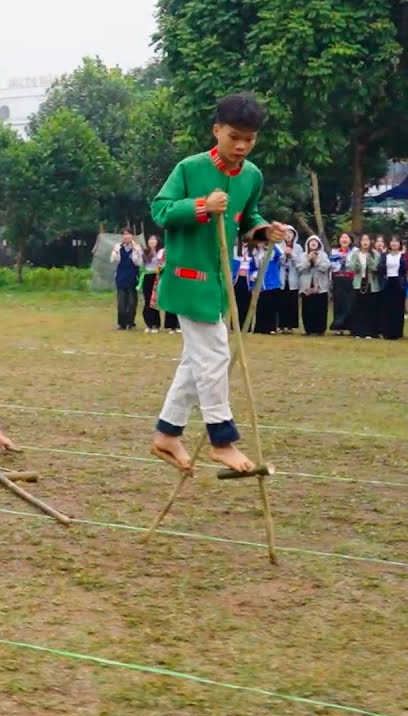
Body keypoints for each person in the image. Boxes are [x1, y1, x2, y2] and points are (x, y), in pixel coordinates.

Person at [148, 92, 289, 475]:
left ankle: (167, 433)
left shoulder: (252, 176)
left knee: (195, 362)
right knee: (214, 356)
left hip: (219, 285)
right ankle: (221, 440)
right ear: (216, 130)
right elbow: (160, 209)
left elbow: (248, 218)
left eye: (249, 139)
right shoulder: (189, 168)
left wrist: (264, 230)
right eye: (234, 137)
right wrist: (201, 206)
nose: (241, 146)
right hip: (187, 281)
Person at [294, 235, 332, 336]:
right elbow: (300, 268)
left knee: (320, 309)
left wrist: (316, 261)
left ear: (319, 244)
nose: (313, 243)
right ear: (308, 244)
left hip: (320, 286)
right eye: (311, 241)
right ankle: (308, 329)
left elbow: (326, 267)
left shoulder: (323, 255)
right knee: (307, 309)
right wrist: (308, 260)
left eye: (315, 241)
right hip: (306, 286)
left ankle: (319, 330)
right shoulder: (302, 255)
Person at [346, 234, 381, 339]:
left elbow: (375, 267)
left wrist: (368, 258)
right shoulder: (355, 253)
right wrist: (357, 263)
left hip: (371, 283)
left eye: (367, 240)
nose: (365, 242)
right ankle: (358, 331)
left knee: (369, 308)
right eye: (363, 240)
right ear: (360, 242)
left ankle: (369, 332)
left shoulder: (375, 254)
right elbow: (351, 267)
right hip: (358, 282)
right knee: (358, 308)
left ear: (370, 242)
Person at [110, 229, 143, 330]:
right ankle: (121, 324)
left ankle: (130, 323)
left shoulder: (137, 247)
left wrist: (136, 251)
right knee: (121, 303)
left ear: (132, 236)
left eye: (128, 234)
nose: (126, 236)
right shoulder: (118, 247)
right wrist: (116, 251)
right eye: (124, 234)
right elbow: (113, 260)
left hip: (132, 277)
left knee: (132, 302)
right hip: (121, 277)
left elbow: (139, 262)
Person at [378, 236, 408, 340]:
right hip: (387, 282)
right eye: (392, 241)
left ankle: (397, 332)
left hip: (399, 283)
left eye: (396, 241)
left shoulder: (403, 256)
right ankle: (386, 331)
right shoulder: (385, 256)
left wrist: (403, 256)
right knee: (387, 307)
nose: (394, 243)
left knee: (398, 307)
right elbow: (381, 268)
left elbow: (404, 270)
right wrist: (383, 255)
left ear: (400, 244)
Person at [328, 233, 355, 335]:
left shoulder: (355, 251)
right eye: (342, 237)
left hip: (350, 279)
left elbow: (353, 265)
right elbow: (332, 265)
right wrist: (339, 258)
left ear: (350, 240)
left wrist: (345, 259)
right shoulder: (334, 251)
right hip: (338, 279)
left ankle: (350, 326)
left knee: (350, 303)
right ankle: (338, 327)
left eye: (346, 237)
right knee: (338, 303)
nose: (344, 239)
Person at [276, 226, 301, 333]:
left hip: (293, 278)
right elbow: (277, 261)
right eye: (286, 233)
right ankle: (281, 325)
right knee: (281, 302)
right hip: (281, 277)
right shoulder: (278, 246)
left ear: (294, 235)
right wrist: (284, 255)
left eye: (291, 233)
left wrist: (291, 254)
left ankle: (290, 326)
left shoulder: (298, 248)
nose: (288, 235)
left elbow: (300, 262)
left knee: (292, 302)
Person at [140, 235, 163, 333]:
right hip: (147, 276)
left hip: (156, 276)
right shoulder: (145, 252)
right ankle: (148, 324)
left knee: (154, 301)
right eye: (150, 239)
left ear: (158, 241)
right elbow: (141, 264)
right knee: (147, 300)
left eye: (154, 239)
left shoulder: (160, 252)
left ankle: (155, 324)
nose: (152, 241)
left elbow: (162, 263)